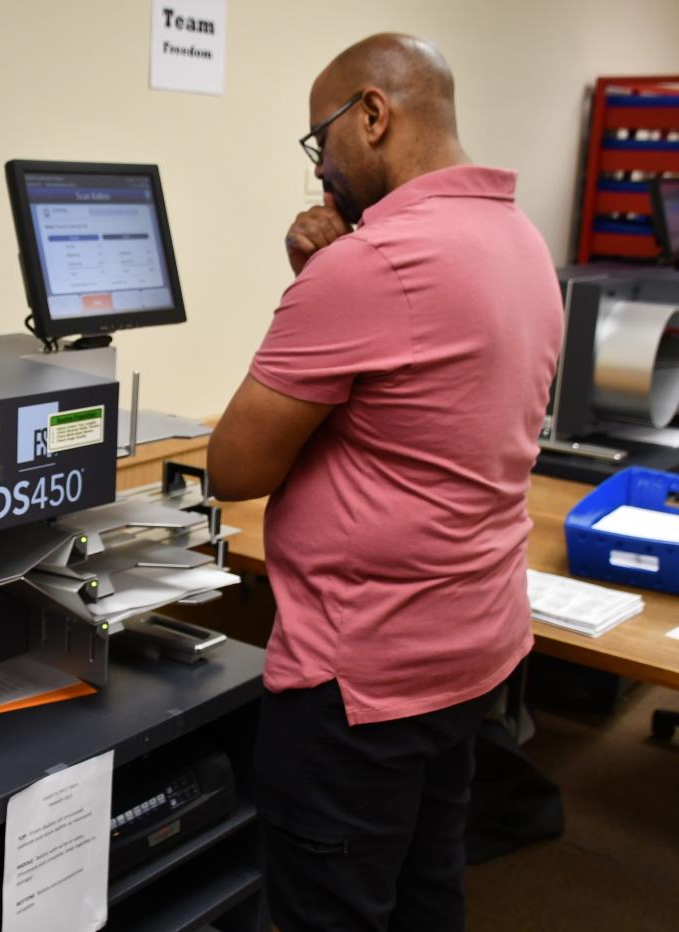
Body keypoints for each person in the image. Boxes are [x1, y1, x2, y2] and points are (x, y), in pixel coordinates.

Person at [206, 33, 563, 932]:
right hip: (466, 650)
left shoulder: (372, 266)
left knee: (328, 910)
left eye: (318, 141)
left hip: (356, 681)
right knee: (424, 891)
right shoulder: (520, 240)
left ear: (371, 115)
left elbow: (234, 470)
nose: (318, 169)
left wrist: (325, 279)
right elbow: (413, 411)